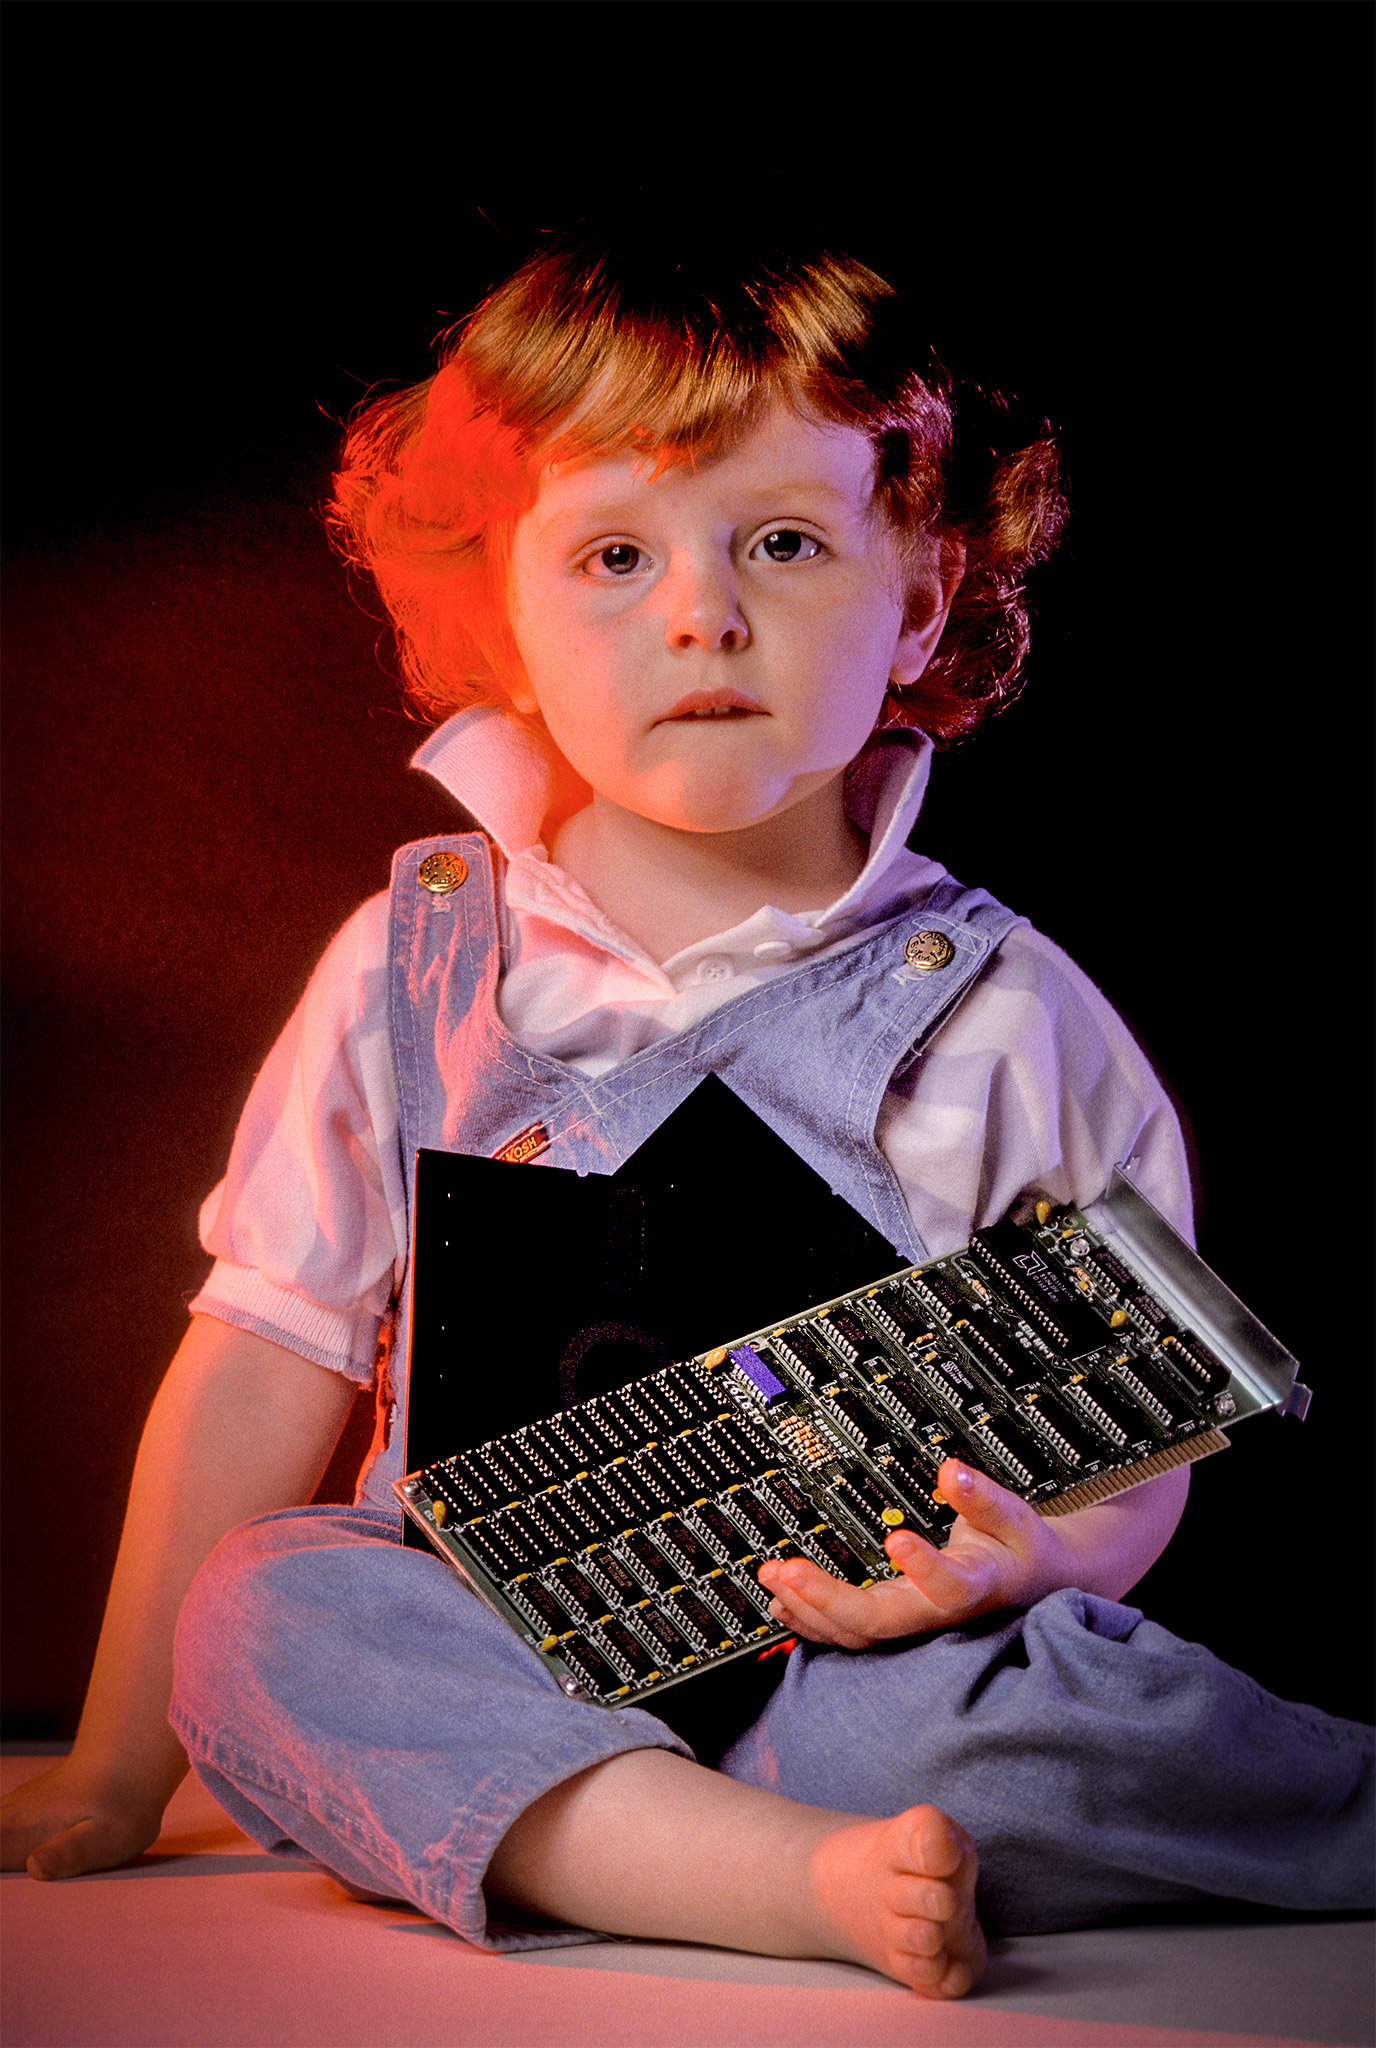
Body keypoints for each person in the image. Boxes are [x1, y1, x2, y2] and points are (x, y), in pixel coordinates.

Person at [2, 237, 1369, 2000]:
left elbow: (1145, 1427)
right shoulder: (413, 961)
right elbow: (269, 1348)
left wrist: (1035, 1555)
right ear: (498, 615)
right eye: (616, 554)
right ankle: (775, 1879)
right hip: (492, 1629)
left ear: (926, 598)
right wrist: (126, 1760)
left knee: (996, 1730)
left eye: (782, 544)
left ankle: (1280, 1811)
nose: (701, 614)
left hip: (847, 1660)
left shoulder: (1003, 1011)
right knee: (263, 1619)